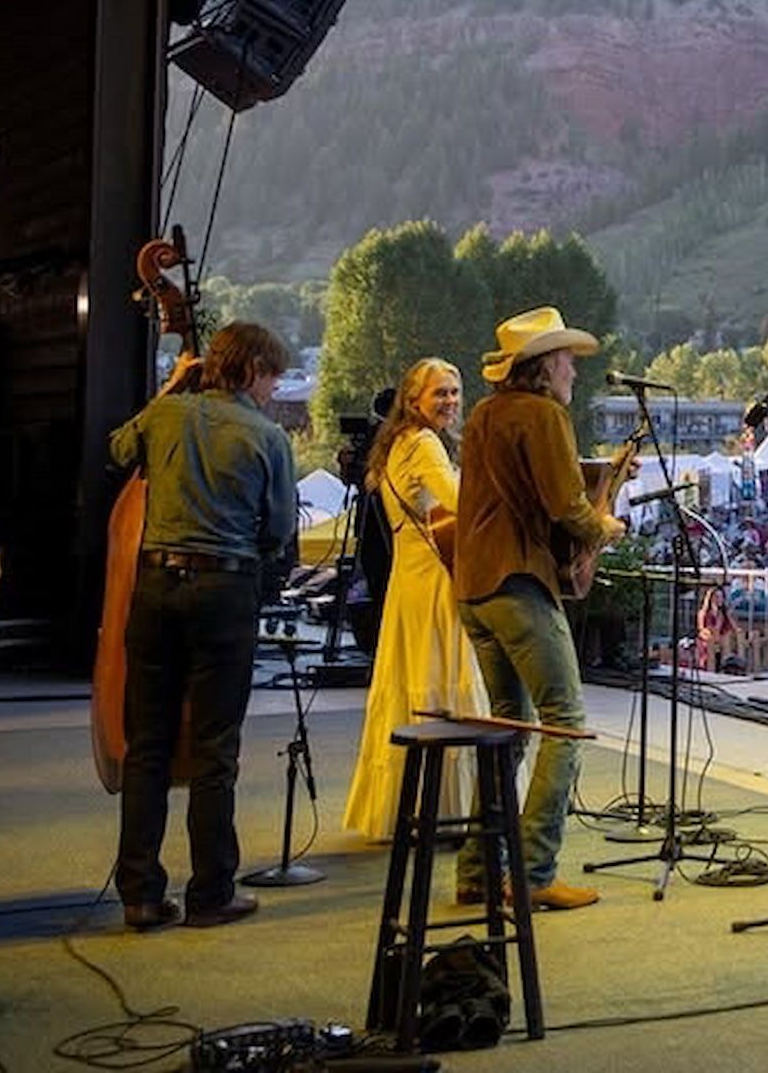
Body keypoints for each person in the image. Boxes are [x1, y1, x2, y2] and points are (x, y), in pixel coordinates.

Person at [109, 321, 298, 931]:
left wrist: (170, 388)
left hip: (155, 587)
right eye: (272, 377)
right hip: (224, 588)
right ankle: (211, 892)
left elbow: (117, 450)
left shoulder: (167, 415)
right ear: (251, 370)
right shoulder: (266, 436)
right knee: (216, 748)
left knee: (147, 746)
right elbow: (278, 531)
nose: (273, 389)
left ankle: (140, 895)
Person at [452, 307, 621, 913]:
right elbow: (564, 505)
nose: (574, 369)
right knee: (563, 723)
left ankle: (478, 872)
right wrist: (604, 527)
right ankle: (535, 872)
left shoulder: (485, 412)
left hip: (474, 586)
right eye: (568, 358)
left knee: (508, 725)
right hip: (518, 583)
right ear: (545, 365)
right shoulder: (544, 414)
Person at [342, 358, 490, 841]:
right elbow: (460, 502)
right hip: (434, 583)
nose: (450, 401)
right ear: (413, 400)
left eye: (454, 391)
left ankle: (408, 808)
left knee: (412, 686)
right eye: (439, 393)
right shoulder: (424, 443)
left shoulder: (399, 443)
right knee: (445, 684)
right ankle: (452, 809)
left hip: (409, 581)